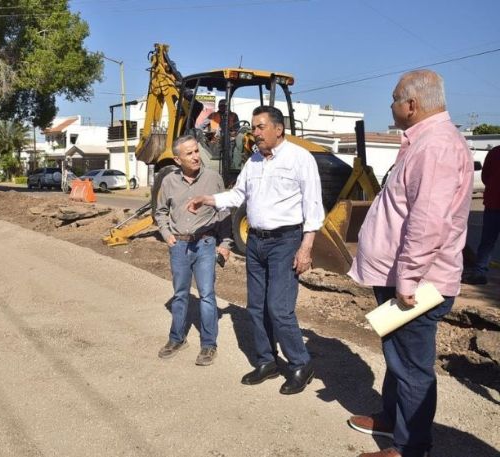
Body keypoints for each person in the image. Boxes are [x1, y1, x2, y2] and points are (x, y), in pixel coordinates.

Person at [346, 70, 473, 457]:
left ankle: (411, 446)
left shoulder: (435, 146)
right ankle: (392, 417)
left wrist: (409, 279)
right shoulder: (423, 141)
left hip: (415, 282)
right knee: (397, 355)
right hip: (400, 274)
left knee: (413, 367)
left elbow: (427, 221)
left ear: (412, 105)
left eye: (394, 99)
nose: (391, 106)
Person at [186, 105, 324, 394]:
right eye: (254, 128)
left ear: (279, 129)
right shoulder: (254, 161)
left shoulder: (300, 159)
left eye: (261, 127)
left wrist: (306, 247)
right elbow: (239, 194)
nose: (255, 133)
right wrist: (208, 199)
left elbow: (313, 206)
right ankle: (267, 361)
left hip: (286, 242)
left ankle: (301, 362)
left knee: (279, 307)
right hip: (255, 242)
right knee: (256, 306)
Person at [155, 135, 233, 366]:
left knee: (207, 295)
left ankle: (209, 345)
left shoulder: (213, 178)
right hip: (178, 245)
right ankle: (176, 339)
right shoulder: (169, 181)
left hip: (206, 244)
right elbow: (160, 212)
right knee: (180, 294)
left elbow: (224, 213)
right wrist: (166, 234)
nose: (196, 156)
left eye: (196, 151)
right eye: (189, 153)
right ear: (178, 160)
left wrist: (226, 244)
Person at [462, 145, 500, 285]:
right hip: (493, 203)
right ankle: (479, 272)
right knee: (487, 243)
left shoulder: (495, 152)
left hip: (494, 203)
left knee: (487, 242)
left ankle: (479, 273)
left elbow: (485, 176)